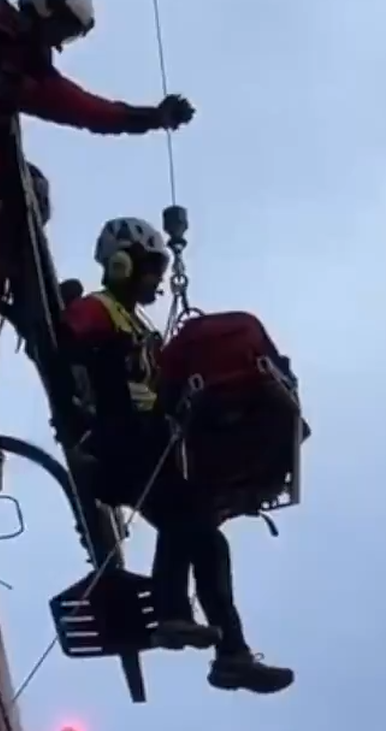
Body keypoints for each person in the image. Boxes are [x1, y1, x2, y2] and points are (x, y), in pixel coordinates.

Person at [60, 217, 295, 696]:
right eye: (150, 267)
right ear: (122, 263)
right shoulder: (96, 309)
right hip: (115, 443)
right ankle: (171, 612)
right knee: (188, 514)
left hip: (150, 444)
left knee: (204, 536)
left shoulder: (141, 327)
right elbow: (70, 346)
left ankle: (233, 652)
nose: (157, 279)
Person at [0, 0, 195, 184]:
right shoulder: (26, 67)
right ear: (48, 7)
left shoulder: (32, 75)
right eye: (64, 29)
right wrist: (154, 118)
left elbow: (92, 111)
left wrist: (152, 117)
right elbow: (93, 112)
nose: (59, 41)